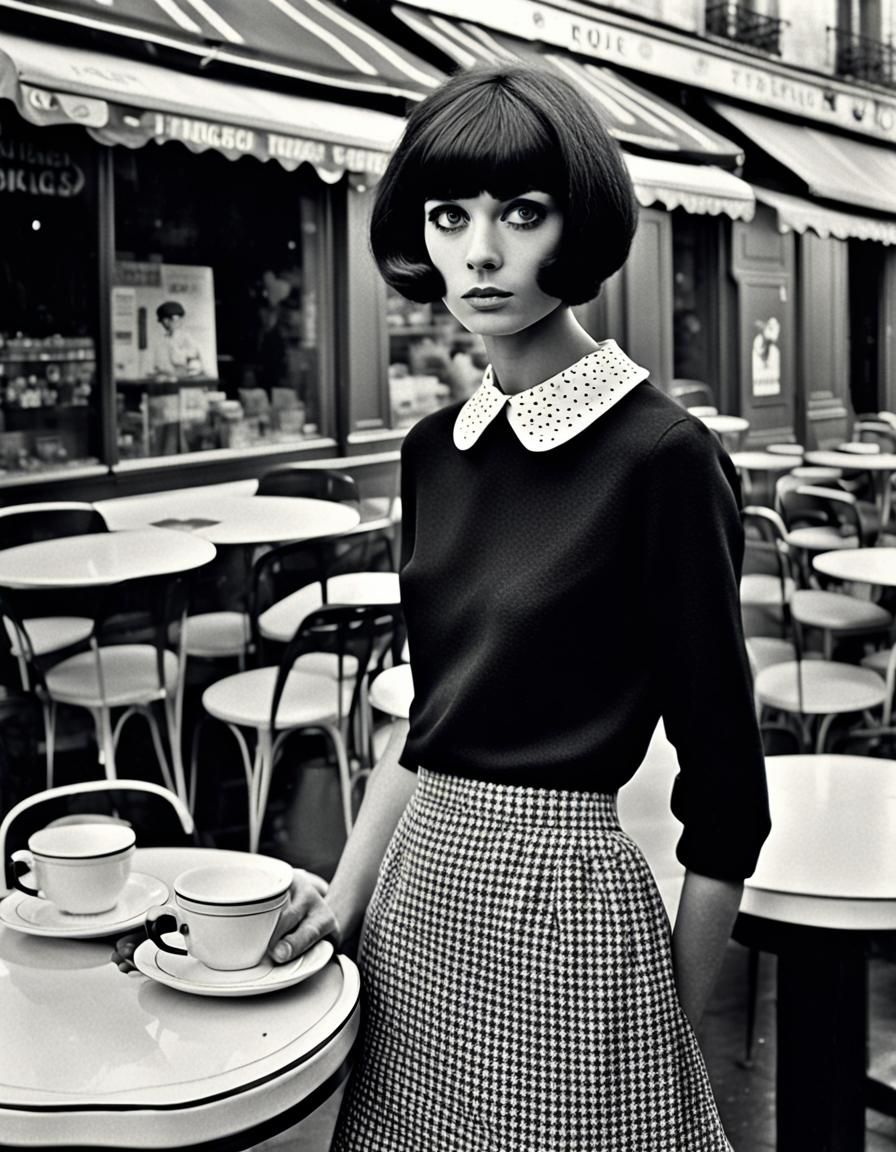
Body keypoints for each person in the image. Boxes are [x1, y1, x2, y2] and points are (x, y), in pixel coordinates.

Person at [115, 63, 770, 1150]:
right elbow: (425, 722)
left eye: (520, 212)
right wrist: (341, 898)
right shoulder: (432, 452)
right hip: (418, 906)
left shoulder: (661, 457)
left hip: (571, 924)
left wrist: (674, 1025)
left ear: (576, 222)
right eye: (448, 213)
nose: (478, 251)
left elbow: (727, 797)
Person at [151, 300, 205, 380]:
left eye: (171, 319)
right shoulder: (164, 340)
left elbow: (194, 368)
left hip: (185, 384)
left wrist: (174, 374)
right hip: (167, 382)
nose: (165, 323)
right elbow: (159, 366)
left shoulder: (188, 340)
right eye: (164, 320)